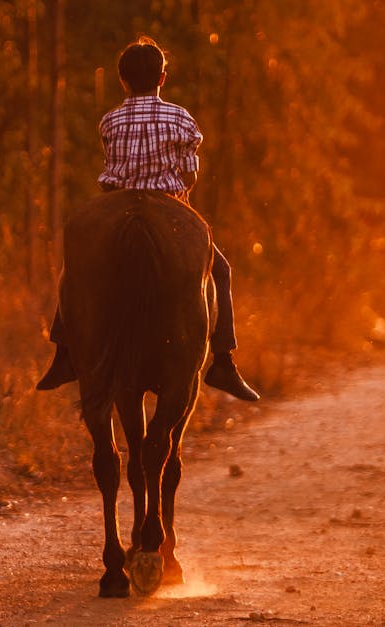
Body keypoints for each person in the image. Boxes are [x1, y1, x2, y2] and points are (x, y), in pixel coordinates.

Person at [36, 36, 259, 402]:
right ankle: (223, 360)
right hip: (168, 205)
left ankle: (63, 354)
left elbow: (112, 169)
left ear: (122, 81)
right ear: (162, 79)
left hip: (118, 205)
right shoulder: (181, 119)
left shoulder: (109, 121)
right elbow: (189, 176)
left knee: (72, 270)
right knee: (221, 270)